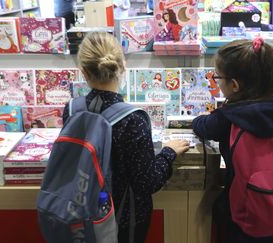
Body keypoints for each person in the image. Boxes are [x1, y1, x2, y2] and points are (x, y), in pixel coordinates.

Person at [62, 32, 190, 243]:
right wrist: (168, 153)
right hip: (123, 220)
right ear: (122, 67)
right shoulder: (134, 119)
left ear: (83, 72)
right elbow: (147, 182)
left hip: (80, 211)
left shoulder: (71, 109)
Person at [192, 38, 273, 243]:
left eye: (218, 77)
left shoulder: (230, 117)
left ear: (234, 85)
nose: (216, 80)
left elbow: (202, 126)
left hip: (247, 217)